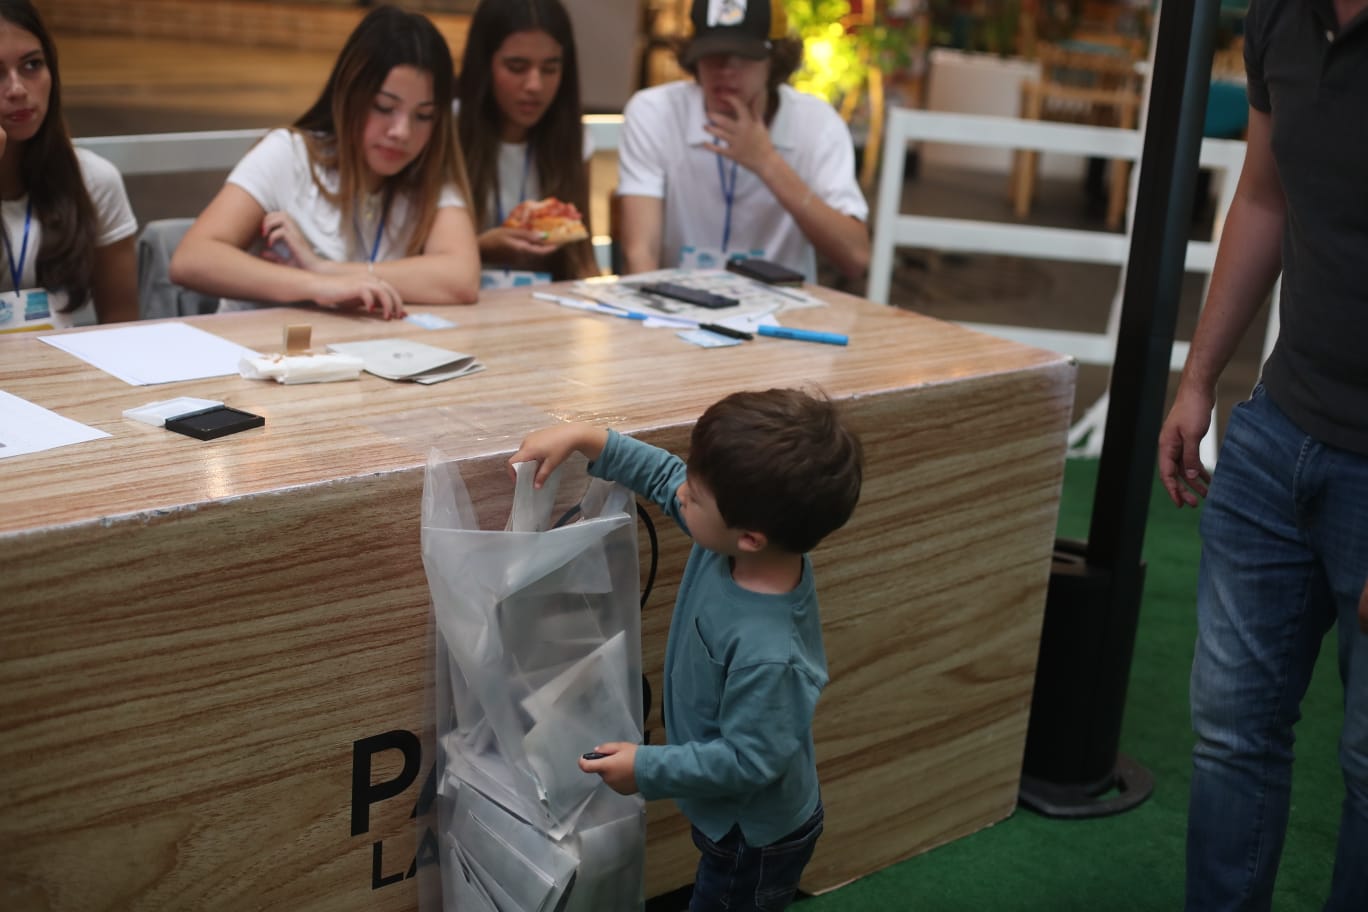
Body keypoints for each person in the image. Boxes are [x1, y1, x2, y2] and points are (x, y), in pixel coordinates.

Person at [1156, 0, 1368, 908]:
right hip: (1280, 426)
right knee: (1232, 732)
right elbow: (1265, 195)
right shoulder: (1281, 13)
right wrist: (1199, 377)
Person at [510, 387, 863, 912]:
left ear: (751, 537)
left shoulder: (771, 652)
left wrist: (647, 768)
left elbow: (748, 760)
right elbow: (663, 474)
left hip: (754, 839)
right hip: (728, 819)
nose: (681, 494)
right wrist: (588, 438)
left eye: (695, 495)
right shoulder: (733, 544)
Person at [170, 4, 479, 320]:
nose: (402, 132)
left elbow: (460, 279)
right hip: (260, 354)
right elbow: (192, 258)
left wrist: (328, 268)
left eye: (423, 116)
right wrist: (315, 284)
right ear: (347, 95)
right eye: (384, 107)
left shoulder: (425, 173)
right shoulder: (291, 154)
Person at [616, 0, 869, 284]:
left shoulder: (816, 122)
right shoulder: (655, 111)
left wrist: (768, 163)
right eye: (712, 55)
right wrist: (657, 315)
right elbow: (639, 253)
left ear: (774, 59)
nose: (726, 69)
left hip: (783, 308)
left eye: (744, 55)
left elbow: (855, 257)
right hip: (678, 302)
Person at [0, 0, 137, 329]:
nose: (17, 89)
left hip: (61, 374)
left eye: (32, 65)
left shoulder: (94, 180)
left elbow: (121, 323)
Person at [455, 0, 598, 284]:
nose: (534, 85)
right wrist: (480, 246)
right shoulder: (447, 129)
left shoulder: (575, 139)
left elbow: (581, 259)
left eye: (550, 69)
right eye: (516, 67)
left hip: (544, 307)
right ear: (485, 64)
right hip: (459, 299)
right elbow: (412, 253)